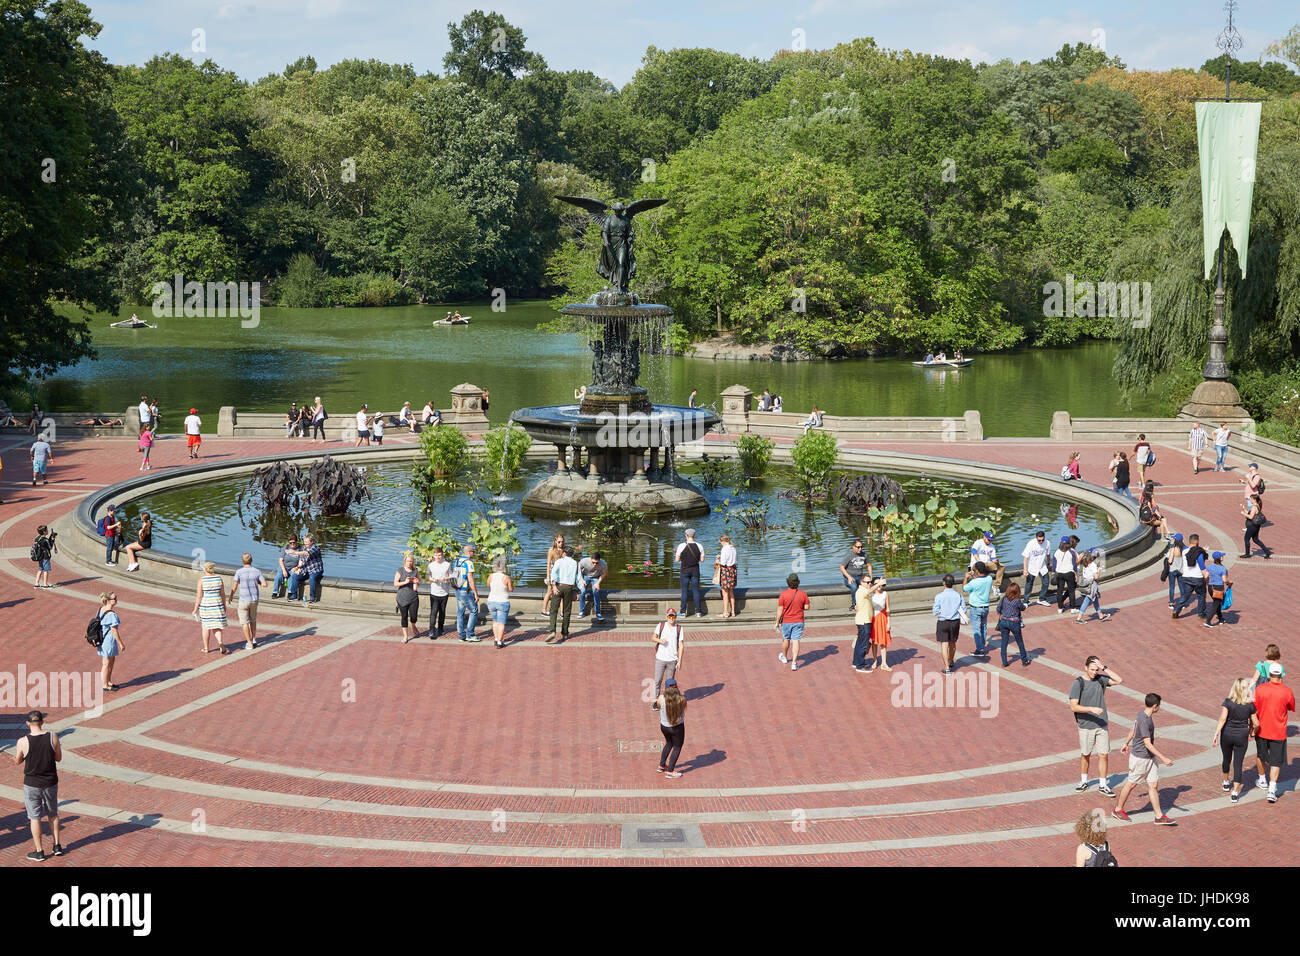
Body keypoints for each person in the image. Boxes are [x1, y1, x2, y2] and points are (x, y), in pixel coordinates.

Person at [1112, 693, 1176, 824]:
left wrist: (1126, 743)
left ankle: (1159, 816)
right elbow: (1147, 743)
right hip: (1140, 758)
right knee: (1132, 783)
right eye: (1159, 706)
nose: (1159, 708)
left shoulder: (1142, 714)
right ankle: (1118, 809)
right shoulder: (1145, 720)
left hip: (1150, 758)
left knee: (1153, 785)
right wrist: (1163, 758)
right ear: (1155, 706)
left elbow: (1134, 729)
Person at [10, 710, 65, 861]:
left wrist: (15, 758)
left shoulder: (22, 741)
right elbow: (58, 758)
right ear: (42, 722)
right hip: (50, 781)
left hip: (32, 784)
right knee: (53, 814)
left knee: (34, 817)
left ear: (27, 723)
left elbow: (18, 761)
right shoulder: (52, 736)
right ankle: (57, 846)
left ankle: (40, 851)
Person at [1069, 656, 1122, 795]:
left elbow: (1119, 680)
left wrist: (1104, 667)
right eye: (1092, 669)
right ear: (1085, 667)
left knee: (1103, 755)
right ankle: (1084, 781)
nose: (1094, 672)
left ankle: (1103, 785)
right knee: (1085, 754)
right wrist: (1091, 709)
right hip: (1086, 726)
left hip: (1101, 724)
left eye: (1096, 669)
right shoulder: (1078, 683)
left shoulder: (1100, 679)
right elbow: (1074, 707)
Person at [1252, 663, 1294, 804]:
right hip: (1279, 731)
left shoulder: (1259, 689)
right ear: (1281, 675)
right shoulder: (1287, 691)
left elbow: (1254, 708)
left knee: (1261, 755)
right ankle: (1272, 789)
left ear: (1269, 675)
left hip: (1262, 730)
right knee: (1276, 761)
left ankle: (1262, 778)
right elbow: (1291, 706)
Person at [1212, 677, 1258, 802]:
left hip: (1226, 734)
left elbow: (1222, 719)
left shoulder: (1228, 702)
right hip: (1241, 736)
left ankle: (1226, 782)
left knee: (1226, 759)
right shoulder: (1250, 705)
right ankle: (1235, 792)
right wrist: (1252, 731)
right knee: (1238, 763)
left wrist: (1216, 734)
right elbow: (1256, 723)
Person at [774, 573, 810, 671]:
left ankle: (784, 657)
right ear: (798, 583)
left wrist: (777, 622)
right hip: (799, 621)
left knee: (786, 639)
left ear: (788, 582)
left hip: (787, 621)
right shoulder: (803, 594)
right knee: (796, 640)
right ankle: (794, 663)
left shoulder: (783, 594)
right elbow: (807, 607)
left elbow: (780, 610)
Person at [230, 552, 266, 650]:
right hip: (254, 600)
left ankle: (249, 643)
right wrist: (258, 582)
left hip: (243, 600)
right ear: (251, 561)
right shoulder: (257, 571)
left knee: (244, 622)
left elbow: (235, 586)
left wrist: (231, 596)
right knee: (253, 620)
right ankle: (254, 639)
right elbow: (264, 584)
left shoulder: (239, 572)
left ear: (242, 561)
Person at [932, 574, 965, 675]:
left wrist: (943, 611)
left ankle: (946, 668)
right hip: (955, 622)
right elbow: (963, 609)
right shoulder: (958, 595)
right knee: (953, 643)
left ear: (944, 583)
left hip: (943, 622)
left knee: (944, 644)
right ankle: (951, 660)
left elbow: (935, 611)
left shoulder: (939, 596)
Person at [193, 561, 229, 655]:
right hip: (217, 604)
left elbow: (199, 596)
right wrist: (224, 606)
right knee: (217, 626)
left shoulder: (202, 580)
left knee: (206, 627)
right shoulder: (219, 579)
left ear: (205, 569)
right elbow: (223, 594)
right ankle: (220, 643)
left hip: (206, 605)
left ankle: (206, 648)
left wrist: (195, 609)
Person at [651, 608, 684, 705]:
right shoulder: (661, 626)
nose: (671, 618)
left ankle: (666, 702)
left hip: (672, 660)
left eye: (673, 616)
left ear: (676, 617)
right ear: (667, 617)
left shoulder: (679, 628)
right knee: (657, 681)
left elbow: (681, 645)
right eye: (669, 616)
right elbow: (653, 638)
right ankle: (656, 702)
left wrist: (680, 661)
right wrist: (660, 640)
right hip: (660, 658)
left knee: (669, 683)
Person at [1171, 533, 1207, 620]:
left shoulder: (1184, 551)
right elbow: (1202, 566)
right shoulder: (1199, 553)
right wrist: (1206, 576)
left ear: (1189, 541)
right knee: (1201, 595)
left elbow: (1188, 548)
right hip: (1198, 578)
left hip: (1186, 577)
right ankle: (1201, 613)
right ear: (1197, 541)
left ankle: (1176, 610)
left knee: (1185, 596)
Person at [962, 561, 994, 658]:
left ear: (976, 571)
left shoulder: (973, 582)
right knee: (983, 627)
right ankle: (982, 645)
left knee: (976, 630)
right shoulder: (989, 579)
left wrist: (966, 578)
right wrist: (975, 575)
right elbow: (980, 581)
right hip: (985, 607)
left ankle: (979, 650)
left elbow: (964, 588)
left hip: (975, 609)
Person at [657, 679, 688, 778]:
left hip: (664, 726)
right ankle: (670, 771)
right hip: (677, 727)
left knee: (669, 743)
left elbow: (658, 706)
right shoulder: (682, 699)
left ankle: (662, 765)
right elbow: (683, 709)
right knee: (677, 747)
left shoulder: (661, 698)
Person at [547, 545, 578, 643]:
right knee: (566, 611)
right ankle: (565, 633)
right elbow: (577, 577)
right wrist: (579, 590)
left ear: (564, 553)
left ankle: (552, 631)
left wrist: (554, 586)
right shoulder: (575, 563)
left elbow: (554, 573)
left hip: (559, 587)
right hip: (569, 587)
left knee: (553, 610)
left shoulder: (559, 561)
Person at [996, 581, 1029, 667]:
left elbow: (998, 609)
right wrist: (1025, 605)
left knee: (1004, 642)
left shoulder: (1004, 599)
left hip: (1004, 621)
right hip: (1014, 622)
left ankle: (1004, 662)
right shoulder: (1017, 600)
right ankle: (1024, 660)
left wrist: (1002, 614)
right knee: (1019, 642)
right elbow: (1022, 608)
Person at [674, 529, 706, 618]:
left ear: (686, 535)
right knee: (696, 591)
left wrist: (682, 557)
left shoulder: (681, 546)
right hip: (695, 570)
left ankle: (683, 612)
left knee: (684, 591)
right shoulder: (699, 546)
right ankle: (698, 612)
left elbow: (677, 560)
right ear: (694, 535)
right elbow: (702, 560)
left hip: (684, 570)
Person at [96, 592, 124, 692]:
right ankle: (105, 685)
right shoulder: (111, 614)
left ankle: (108, 681)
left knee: (111, 661)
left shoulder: (101, 609)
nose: (116, 600)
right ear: (108, 600)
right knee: (106, 663)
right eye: (114, 598)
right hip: (108, 641)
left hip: (104, 639)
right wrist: (121, 643)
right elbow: (114, 630)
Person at [453, 544, 481, 642]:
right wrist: (476, 593)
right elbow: (470, 579)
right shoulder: (469, 563)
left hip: (457, 590)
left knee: (460, 613)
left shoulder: (457, 561)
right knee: (474, 611)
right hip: (465, 591)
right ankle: (470, 634)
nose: (474, 553)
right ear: (469, 552)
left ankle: (461, 635)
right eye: (473, 552)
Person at [287, 536, 324, 606]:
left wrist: (294, 552)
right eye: (304, 541)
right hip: (306, 570)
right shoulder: (304, 548)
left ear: (312, 542)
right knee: (295, 576)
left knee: (312, 578)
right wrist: (298, 568)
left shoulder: (316, 548)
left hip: (316, 570)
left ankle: (313, 597)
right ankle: (294, 596)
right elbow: (301, 561)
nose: (305, 543)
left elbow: (307, 553)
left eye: (307, 541)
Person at [394, 552, 422, 644]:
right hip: (402, 597)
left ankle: (413, 626)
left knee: (413, 616)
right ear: (405, 561)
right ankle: (405, 636)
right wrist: (405, 582)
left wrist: (417, 581)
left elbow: (419, 582)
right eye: (408, 561)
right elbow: (395, 584)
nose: (409, 563)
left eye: (411, 561)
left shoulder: (415, 570)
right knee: (404, 616)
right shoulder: (400, 570)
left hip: (413, 596)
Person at [1074, 551, 1109, 623]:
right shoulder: (1093, 565)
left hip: (1086, 583)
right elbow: (1096, 577)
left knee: (1095, 599)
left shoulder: (1083, 564)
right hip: (1092, 584)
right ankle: (1079, 618)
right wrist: (1099, 570)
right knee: (1087, 600)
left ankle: (1101, 616)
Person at [1020, 530, 1052, 606]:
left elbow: (1048, 554)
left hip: (1042, 565)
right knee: (1029, 583)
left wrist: (1048, 562)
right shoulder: (1031, 544)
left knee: (1046, 582)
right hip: (1032, 566)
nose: (1041, 542)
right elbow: (1025, 557)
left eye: (1042, 540)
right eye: (1039, 540)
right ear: (1036, 538)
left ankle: (1042, 598)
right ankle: (1025, 601)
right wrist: (1025, 570)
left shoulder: (1047, 543)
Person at [486, 556, 513, 648]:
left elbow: (488, 585)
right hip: (503, 601)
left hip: (491, 601)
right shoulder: (506, 577)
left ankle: (496, 639)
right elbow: (511, 589)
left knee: (495, 621)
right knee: (501, 623)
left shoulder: (491, 576)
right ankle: (500, 642)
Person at [866, 577, 892, 671]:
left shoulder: (885, 594)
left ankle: (884, 663)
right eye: (877, 584)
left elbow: (888, 609)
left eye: (880, 583)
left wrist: (889, 622)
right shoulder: (871, 595)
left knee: (883, 642)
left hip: (883, 618)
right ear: (873, 585)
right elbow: (867, 592)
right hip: (874, 619)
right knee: (874, 642)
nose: (879, 586)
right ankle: (875, 660)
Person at [426, 546, 452, 637]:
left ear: (442, 555)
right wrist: (432, 579)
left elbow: (451, 576)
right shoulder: (431, 565)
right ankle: (432, 629)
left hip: (444, 592)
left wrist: (446, 578)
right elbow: (427, 576)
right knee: (433, 611)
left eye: (439, 555)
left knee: (442, 611)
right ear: (433, 555)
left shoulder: (447, 564)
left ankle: (440, 628)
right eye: (436, 555)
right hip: (434, 592)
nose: (438, 557)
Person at [840, 539, 873, 610]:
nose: (860, 549)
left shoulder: (864, 555)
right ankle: (854, 604)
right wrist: (848, 577)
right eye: (858, 547)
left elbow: (869, 565)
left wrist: (870, 576)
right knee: (854, 587)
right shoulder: (849, 555)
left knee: (869, 585)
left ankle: (869, 603)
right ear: (853, 547)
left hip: (860, 577)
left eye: (861, 547)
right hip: (849, 577)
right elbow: (841, 567)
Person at [851, 578, 875, 674]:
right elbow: (870, 591)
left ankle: (856, 662)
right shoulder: (862, 591)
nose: (869, 584)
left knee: (859, 642)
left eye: (870, 582)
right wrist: (879, 584)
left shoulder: (863, 590)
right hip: (864, 621)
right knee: (863, 644)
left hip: (863, 620)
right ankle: (860, 666)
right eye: (867, 582)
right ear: (861, 582)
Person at [578, 549, 608, 621]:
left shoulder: (603, 563)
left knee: (596, 591)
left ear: (599, 560)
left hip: (596, 577)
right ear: (590, 559)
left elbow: (604, 573)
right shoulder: (584, 561)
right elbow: (578, 570)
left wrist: (598, 583)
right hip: (585, 576)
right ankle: (582, 611)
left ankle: (598, 613)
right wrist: (582, 580)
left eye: (596, 563)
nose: (595, 564)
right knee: (582, 591)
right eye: (593, 562)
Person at [1050, 536, 1078, 613]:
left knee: (1059, 591)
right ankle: (1073, 608)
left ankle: (1060, 608)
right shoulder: (1071, 552)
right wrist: (1076, 574)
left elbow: (1054, 564)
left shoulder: (1056, 552)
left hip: (1059, 574)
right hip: (1069, 573)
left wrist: (1053, 573)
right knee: (1071, 591)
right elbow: (1074, 565)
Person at [1204, 551, 1231, 628]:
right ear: (1219, 558)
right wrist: (1230, 584)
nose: (1223, 557)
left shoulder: (1209, 566)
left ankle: (1220, 619)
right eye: (1222, 556)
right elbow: (1225, 580)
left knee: (1217, 603)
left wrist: (1208, 583)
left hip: (1210, 587)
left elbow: (1206, 576)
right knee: (1215, 604)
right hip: (1218, 588)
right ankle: (1208, 621)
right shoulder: (1222, 568)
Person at [1240, 494, 1271, 559]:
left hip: (1252, 526)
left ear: (1254, 499)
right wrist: (1244, 509)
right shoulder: (1258, 505)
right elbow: (1251, 514)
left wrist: (1244, 514)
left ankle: (1247, 554)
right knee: (1255, 539)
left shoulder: (1254, 507)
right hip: (1256, 526)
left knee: (1246, 539)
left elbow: (1251, 517)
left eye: (1251, 499)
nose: (1250, 500)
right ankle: (1267, 551)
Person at [715, 535, 738, 618]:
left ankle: (725, 612)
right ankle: (733, 612)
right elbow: (731, 559)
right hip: (733, 571)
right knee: (731, 592)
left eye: (720, 542)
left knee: (725, 593)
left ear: (722, 541)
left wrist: (718, 561)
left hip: (726, 572)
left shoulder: (724, 548)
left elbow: (723, 563)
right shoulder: (733, 548)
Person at [543, 534, 566, 616]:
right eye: (559, 542)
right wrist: (548, 576)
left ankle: (562, 612)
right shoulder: (551, 550)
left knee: (561, 592)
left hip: (562, 574)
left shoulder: (564, 550)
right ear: (555, 541)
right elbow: (548, 564)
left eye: (562, 542)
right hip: (553, 573)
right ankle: (544, 610)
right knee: (549, 592)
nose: (561, 543)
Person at [270, 534, 300, 599]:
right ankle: (275, 592)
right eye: (290, 543)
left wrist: (297, 567)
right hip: (284, 566)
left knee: (293, 576)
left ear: (297, 541)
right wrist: (284, 570)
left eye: (293, 542)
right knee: (278, 577)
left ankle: (290, 592)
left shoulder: (300, 549)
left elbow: (302, 561)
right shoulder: (286, 548)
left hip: (293, 567)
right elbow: (280, 560)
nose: (292, 544)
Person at [1162, 535, 1185, 608]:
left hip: (1172, 570)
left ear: (1176, 540)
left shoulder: (1173, 549)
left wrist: (1167, 557)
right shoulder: (1183, 549)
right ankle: (1183, 603)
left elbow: (1170, 561)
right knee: (1181, 587)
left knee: (1172, 587)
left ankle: (1171, 603)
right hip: (1181, 570)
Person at [32, 524, 55, 589]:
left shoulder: (38, 538)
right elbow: (50, 547)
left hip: (40, 556)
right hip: (45, 556)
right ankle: (45, 585)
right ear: (44, 532)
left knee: (40, 569)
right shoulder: (45, 540)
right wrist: (52, 539)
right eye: (47, 530)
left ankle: (36, 583)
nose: (47, 531)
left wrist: (50, 537)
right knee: (46, 570)